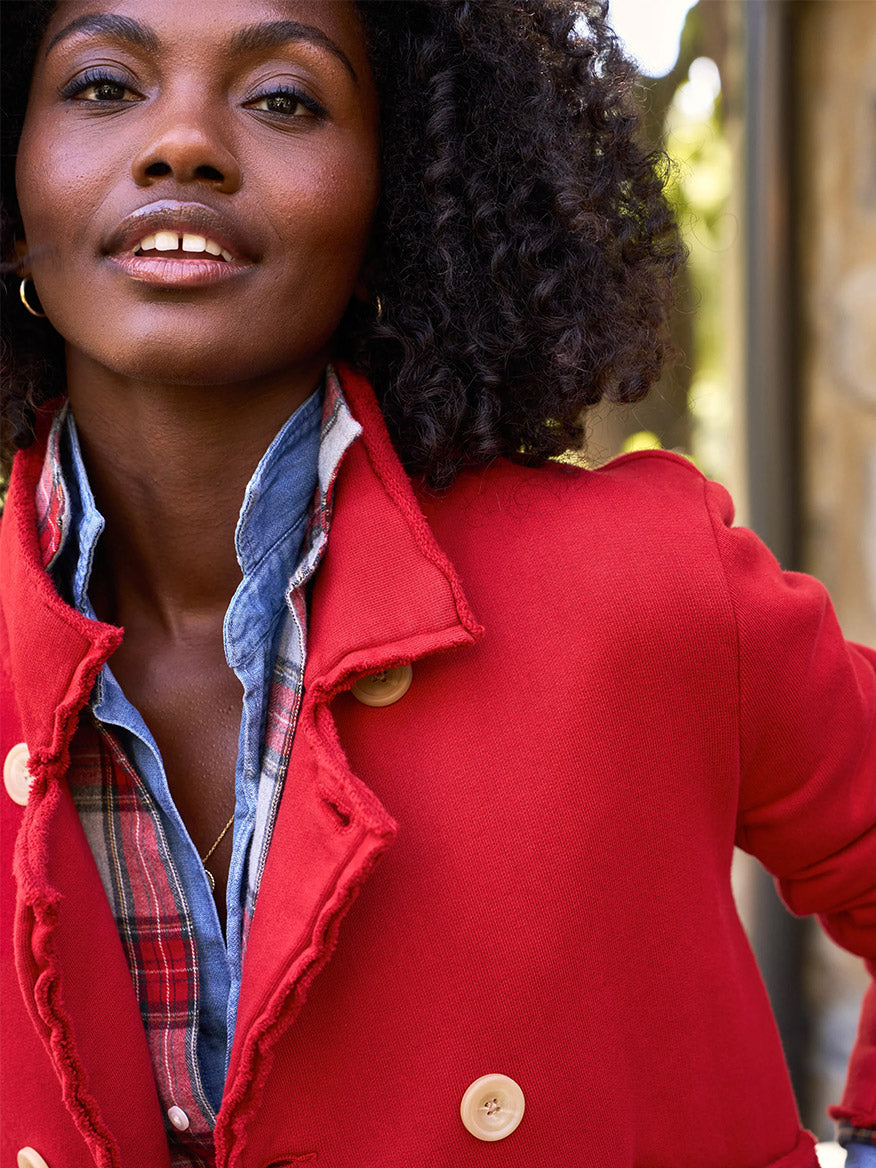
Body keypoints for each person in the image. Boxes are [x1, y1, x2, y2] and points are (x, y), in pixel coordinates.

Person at [1, 1, 874, 1166]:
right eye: (104, 87)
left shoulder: (646, 585)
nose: (185, 142)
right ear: (13, 210)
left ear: (395, 203)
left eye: (283, 99)